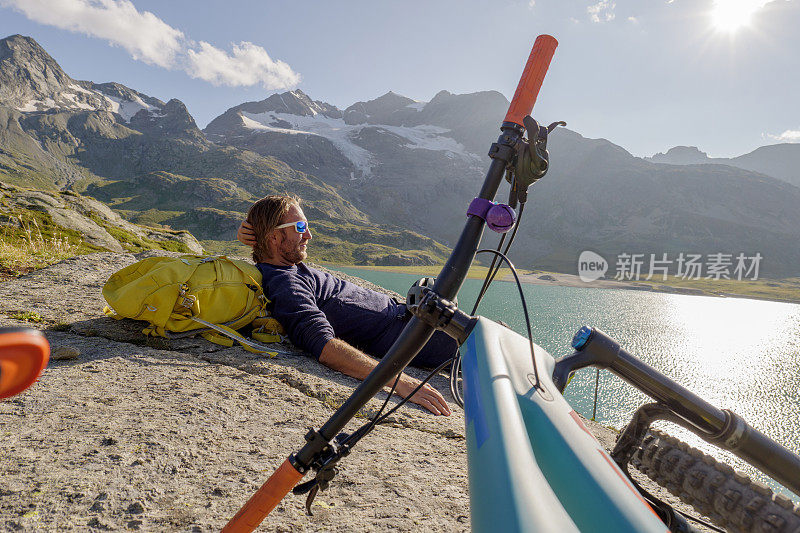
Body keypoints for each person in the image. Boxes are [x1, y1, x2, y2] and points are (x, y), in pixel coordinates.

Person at [237, 195, 457, 416]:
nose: (309, 235)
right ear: (274, 237)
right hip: (413, 334)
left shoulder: (288, 266)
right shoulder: (285, 284)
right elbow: (325, 347)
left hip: (412, 316)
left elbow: (272, 238)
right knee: (487, 347)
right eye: (300, 226)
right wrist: (400, 381)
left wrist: (258, 232)